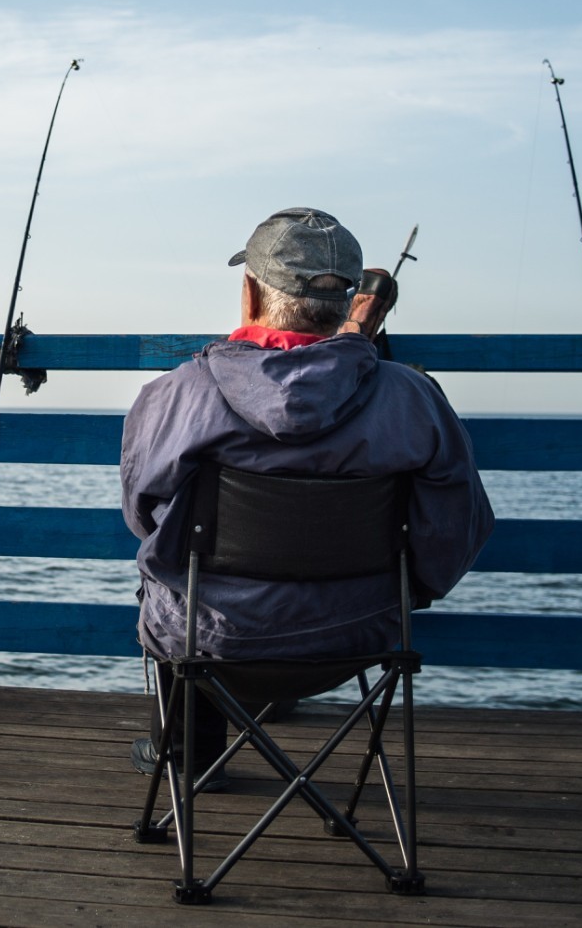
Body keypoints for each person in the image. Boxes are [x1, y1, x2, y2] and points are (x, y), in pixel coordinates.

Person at [121, 207, 493, 781]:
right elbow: (457, 524)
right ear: (346, 303)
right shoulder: (414, 398)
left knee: (172, 575)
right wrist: (405, 591)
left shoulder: (176, 394)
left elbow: (143, 514)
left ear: (249, 293)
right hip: (360, 629)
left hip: (213, 633)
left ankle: (185, 757)